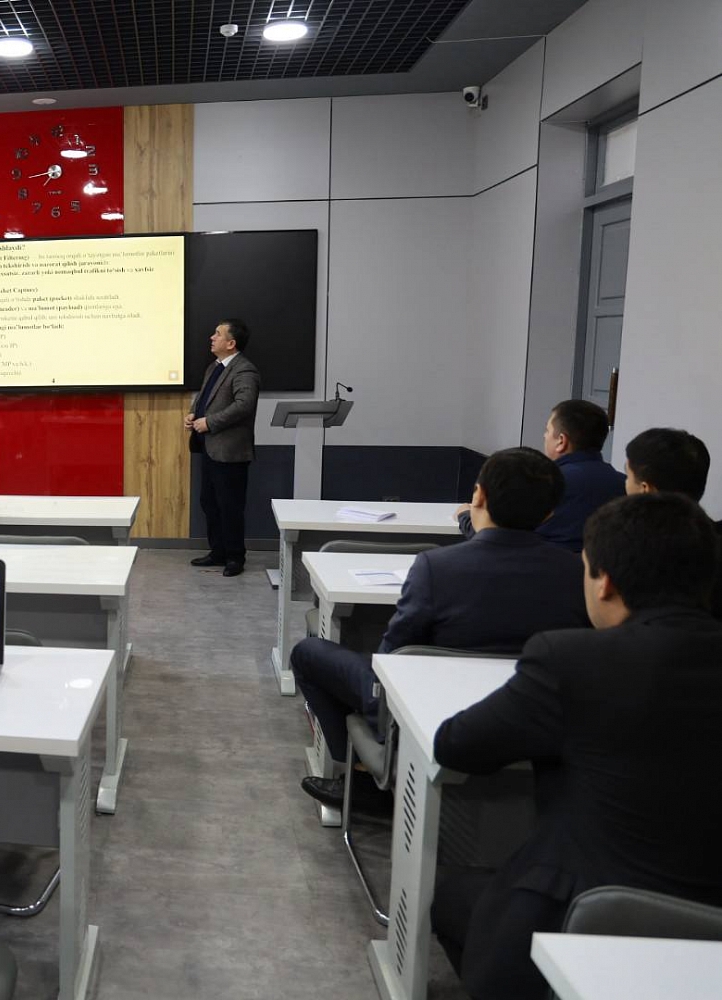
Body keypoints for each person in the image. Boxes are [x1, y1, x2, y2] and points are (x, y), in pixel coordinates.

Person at [430, 493, 722, 1000]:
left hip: (583, 914)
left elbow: (457, 745)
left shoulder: (571, 660)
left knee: (453, 898)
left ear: (603, 581)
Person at [295, 448, 589, 812]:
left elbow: (392, 655)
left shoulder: (437, 566)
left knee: (308, 654)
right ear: (549, 513)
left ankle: (364, 780)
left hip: (434, 707)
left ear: (478, 496)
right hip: (530, 712)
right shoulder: (577, 572)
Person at [456, 399, 624, 551]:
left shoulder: (539, 484)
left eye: (547, 430)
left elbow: (496, 540)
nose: (544, 435)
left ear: (561, 441)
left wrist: (465, 517)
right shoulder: (624, 485)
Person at [186, 319, 260, 575]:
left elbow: (244, 405)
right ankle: (217, 552)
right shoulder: (214, 367)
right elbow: (204, 398)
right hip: (209, 448)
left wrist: (210, 422)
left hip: (230, 451)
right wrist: (193, 414)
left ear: (231, 343)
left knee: (230, 506)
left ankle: (235, 557)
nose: (212, 337)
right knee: (210, 502)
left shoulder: (244, 370)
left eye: (217, 334)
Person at [623, 427, 721, 617]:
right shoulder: (713, 543)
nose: (625, 483)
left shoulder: (629, 552)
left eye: (628, 476)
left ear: (645, 489)